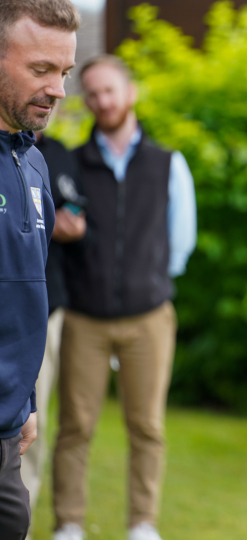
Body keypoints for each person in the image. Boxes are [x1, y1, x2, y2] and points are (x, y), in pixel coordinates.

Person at [52, 55, 197, 540]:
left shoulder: (168, 163)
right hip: (83, 317)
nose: (102, 100)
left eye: (110, 90)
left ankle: (142, 525)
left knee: (148, 428)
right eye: (91, 93)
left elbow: (181, 242)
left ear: (130, 93)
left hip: (149, 318)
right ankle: (69, 523)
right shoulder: (71, 162)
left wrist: (147, 282)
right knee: (74, 428)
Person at [0, 0, 79, 537]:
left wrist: (25, 399)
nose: (59, 90)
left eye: (65, 72)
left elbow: (25, 293)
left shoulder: (33, 162)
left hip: (7, 426)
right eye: (40, 69)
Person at [20, 128, 87, 535]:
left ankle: (18, 523)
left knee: (31, 421)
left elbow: (75, 212)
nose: (54, 93)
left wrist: (68, 222)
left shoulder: (56, 154)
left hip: (44, 308)